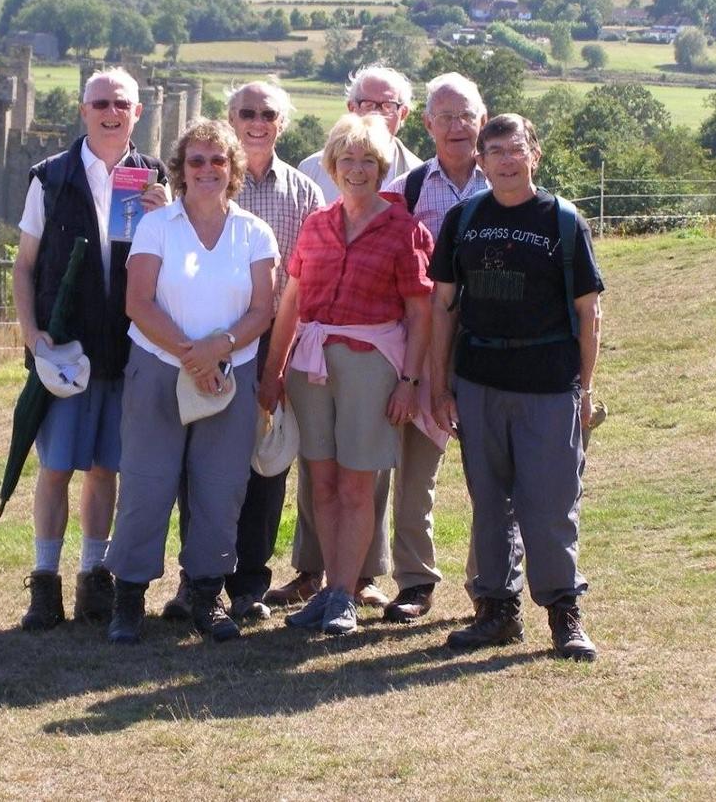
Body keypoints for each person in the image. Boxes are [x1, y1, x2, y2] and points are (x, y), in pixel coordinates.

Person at [429, 114, 603, 662]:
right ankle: (497, 611)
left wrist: (585, 390)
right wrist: (440, 384)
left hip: (549, 385)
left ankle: (563, 613)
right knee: (489, 502)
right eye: (495, 149)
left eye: (516, 148)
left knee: (550, 502)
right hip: (479, 381)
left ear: (536, 156)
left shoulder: (563, 221)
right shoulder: (462, 219)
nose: (506, 159)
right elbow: (443, 308)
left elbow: (588, 313)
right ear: (479, 159)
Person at [104, 119, 278, 644]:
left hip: (230, 373)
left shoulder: (254, 231)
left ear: (233, 169)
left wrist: (216, 352)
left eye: (217, 160)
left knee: (220, 487)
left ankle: (206, 595)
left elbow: (263, 308)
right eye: (196, 161)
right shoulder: (157, 226)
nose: (207, 170)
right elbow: (138, 302)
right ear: (179, 170)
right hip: (160, 365)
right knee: (146, 482)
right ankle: (128, 600)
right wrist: (190, 354)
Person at [259, 114, 433, 636]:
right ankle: (332, 589)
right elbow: (292, 301)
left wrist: (410, 381)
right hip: (311, 365)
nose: (357, 170)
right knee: (323, 483)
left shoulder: (405, 229)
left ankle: (344, 595)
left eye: (368, 161)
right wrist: (273, 373)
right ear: (332, 166)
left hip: (370, 364)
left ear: (382, 169)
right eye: (347, 160)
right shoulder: (317, 225)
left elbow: (420, 313)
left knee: (359, 484)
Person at [160, 80, 325, 624]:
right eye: (246, 112)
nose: (257, 121)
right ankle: (196, 581)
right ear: (229, 118)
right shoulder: (199, 182)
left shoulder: (303, 194)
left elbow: (308, 284)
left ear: (283, 122)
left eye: (267, 113)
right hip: (203, 344)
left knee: (265, 465)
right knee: (200, 468)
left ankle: (250, 583)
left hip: (272, 342)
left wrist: (276, 364)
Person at [13, 67, 169, 631]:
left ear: (137, 112)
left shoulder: (155, 178)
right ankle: (44, 584)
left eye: (121, 103)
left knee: (106, 468)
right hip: (66, 352)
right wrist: (32, 338)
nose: (110, 112)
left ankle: (93, 582)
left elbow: (169, 270)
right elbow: (24, 266)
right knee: (55, 467)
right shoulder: (49, 178)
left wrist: (164, 220)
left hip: (127, 352)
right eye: (100, 102)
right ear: (83, 111)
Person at [375, 72, 496, 623]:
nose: (456, 127)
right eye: (444, 117)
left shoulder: (507, 182)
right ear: (425, 125)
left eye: (465, 115)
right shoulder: (408, 189)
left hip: (493, 348)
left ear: (483, 119)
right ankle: (415, 582)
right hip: (424, 350)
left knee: (492, 474)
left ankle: (488, 582)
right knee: (415, 474)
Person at [296, 63, 423, 204]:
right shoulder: (311, 170)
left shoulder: (419, 176)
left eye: (388, 106)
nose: (377, 114)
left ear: (403, 113)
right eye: (368, 105)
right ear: (351, 108)